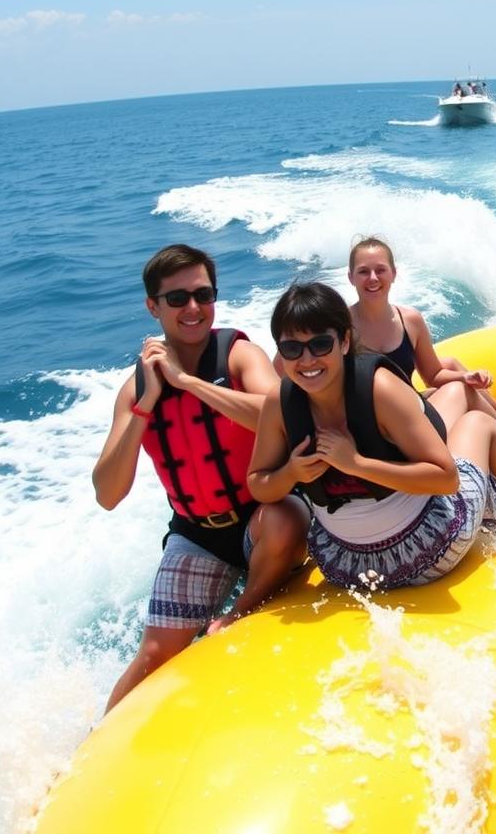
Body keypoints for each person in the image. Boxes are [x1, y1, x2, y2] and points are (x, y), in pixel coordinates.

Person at [92, 244, 309, 711]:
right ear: (153, 306)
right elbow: (108, 494)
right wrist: (146, 404)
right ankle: (88, 756)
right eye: (177, 298)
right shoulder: (135, 389)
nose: (193, 308)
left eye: (203, 295)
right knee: (154, 655)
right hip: (197, 533)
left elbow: (285, 417)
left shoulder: (239, 356)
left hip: (261, 514)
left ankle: (239, 612)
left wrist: (188, 383)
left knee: (285, 518)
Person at [248, 283, 496, 591]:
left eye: (320, 344)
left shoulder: (380, 389)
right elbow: (258, 482)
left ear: (345, 342)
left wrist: (357, 464)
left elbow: (445, 479)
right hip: (354, 562)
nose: (306, 360)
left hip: (416, 545)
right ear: (280, 352)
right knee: (477, 422)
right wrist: (291, 472)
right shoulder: (280, 403)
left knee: (464, 413)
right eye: (292, 348)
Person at [347, 237, 496, 483]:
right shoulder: (342, 329)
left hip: (414, 409)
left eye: (380, 270)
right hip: (387, 430)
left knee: (459, 380)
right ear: (351, 278)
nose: (373, 278)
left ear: (394, 274)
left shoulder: (410, 320)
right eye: (363, 271)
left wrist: (466, 376)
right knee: (462, 392)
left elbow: (432, 375)